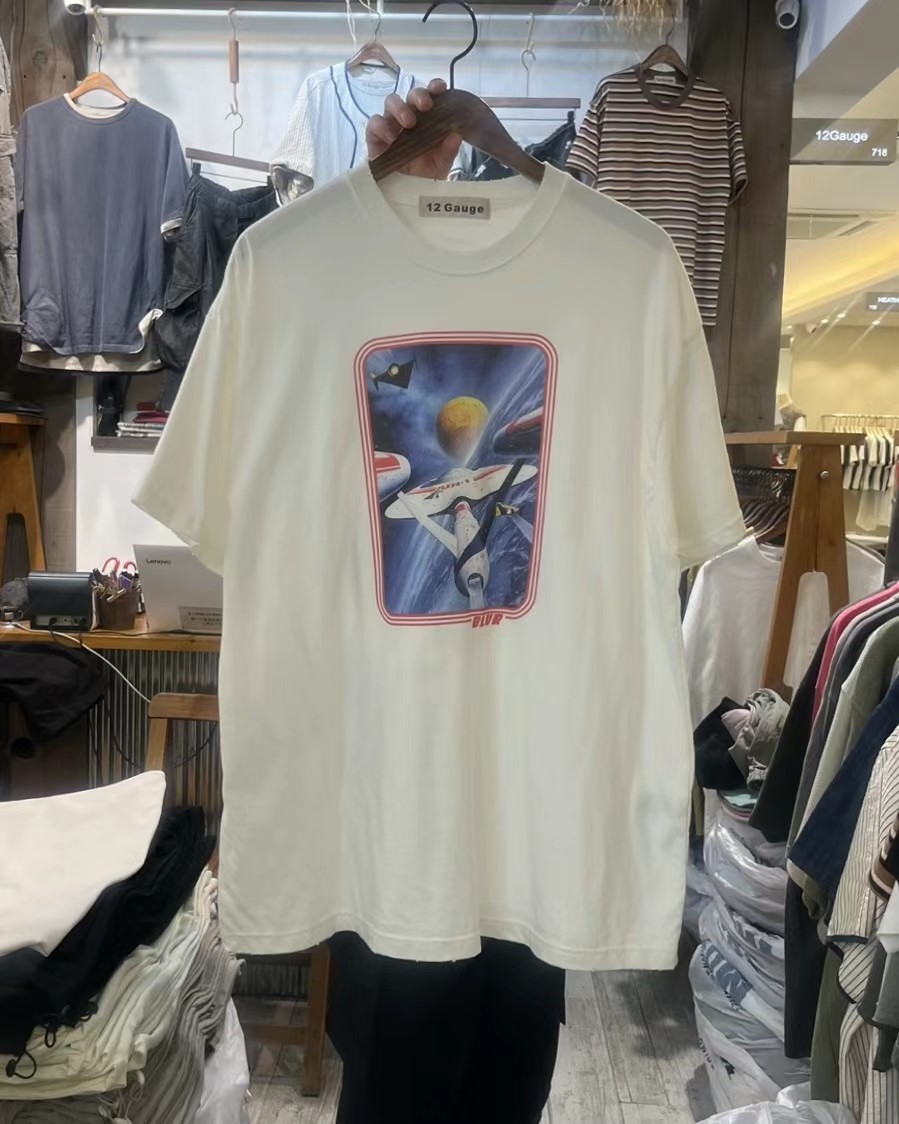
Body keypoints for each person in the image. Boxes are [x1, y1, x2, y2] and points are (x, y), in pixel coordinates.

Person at [322, 80, 567, 1124]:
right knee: (398, 1073)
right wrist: (382, 204)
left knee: (503, 1072)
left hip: (528, 822)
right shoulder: (303, 272)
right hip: (392, 818)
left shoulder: (616, 277)